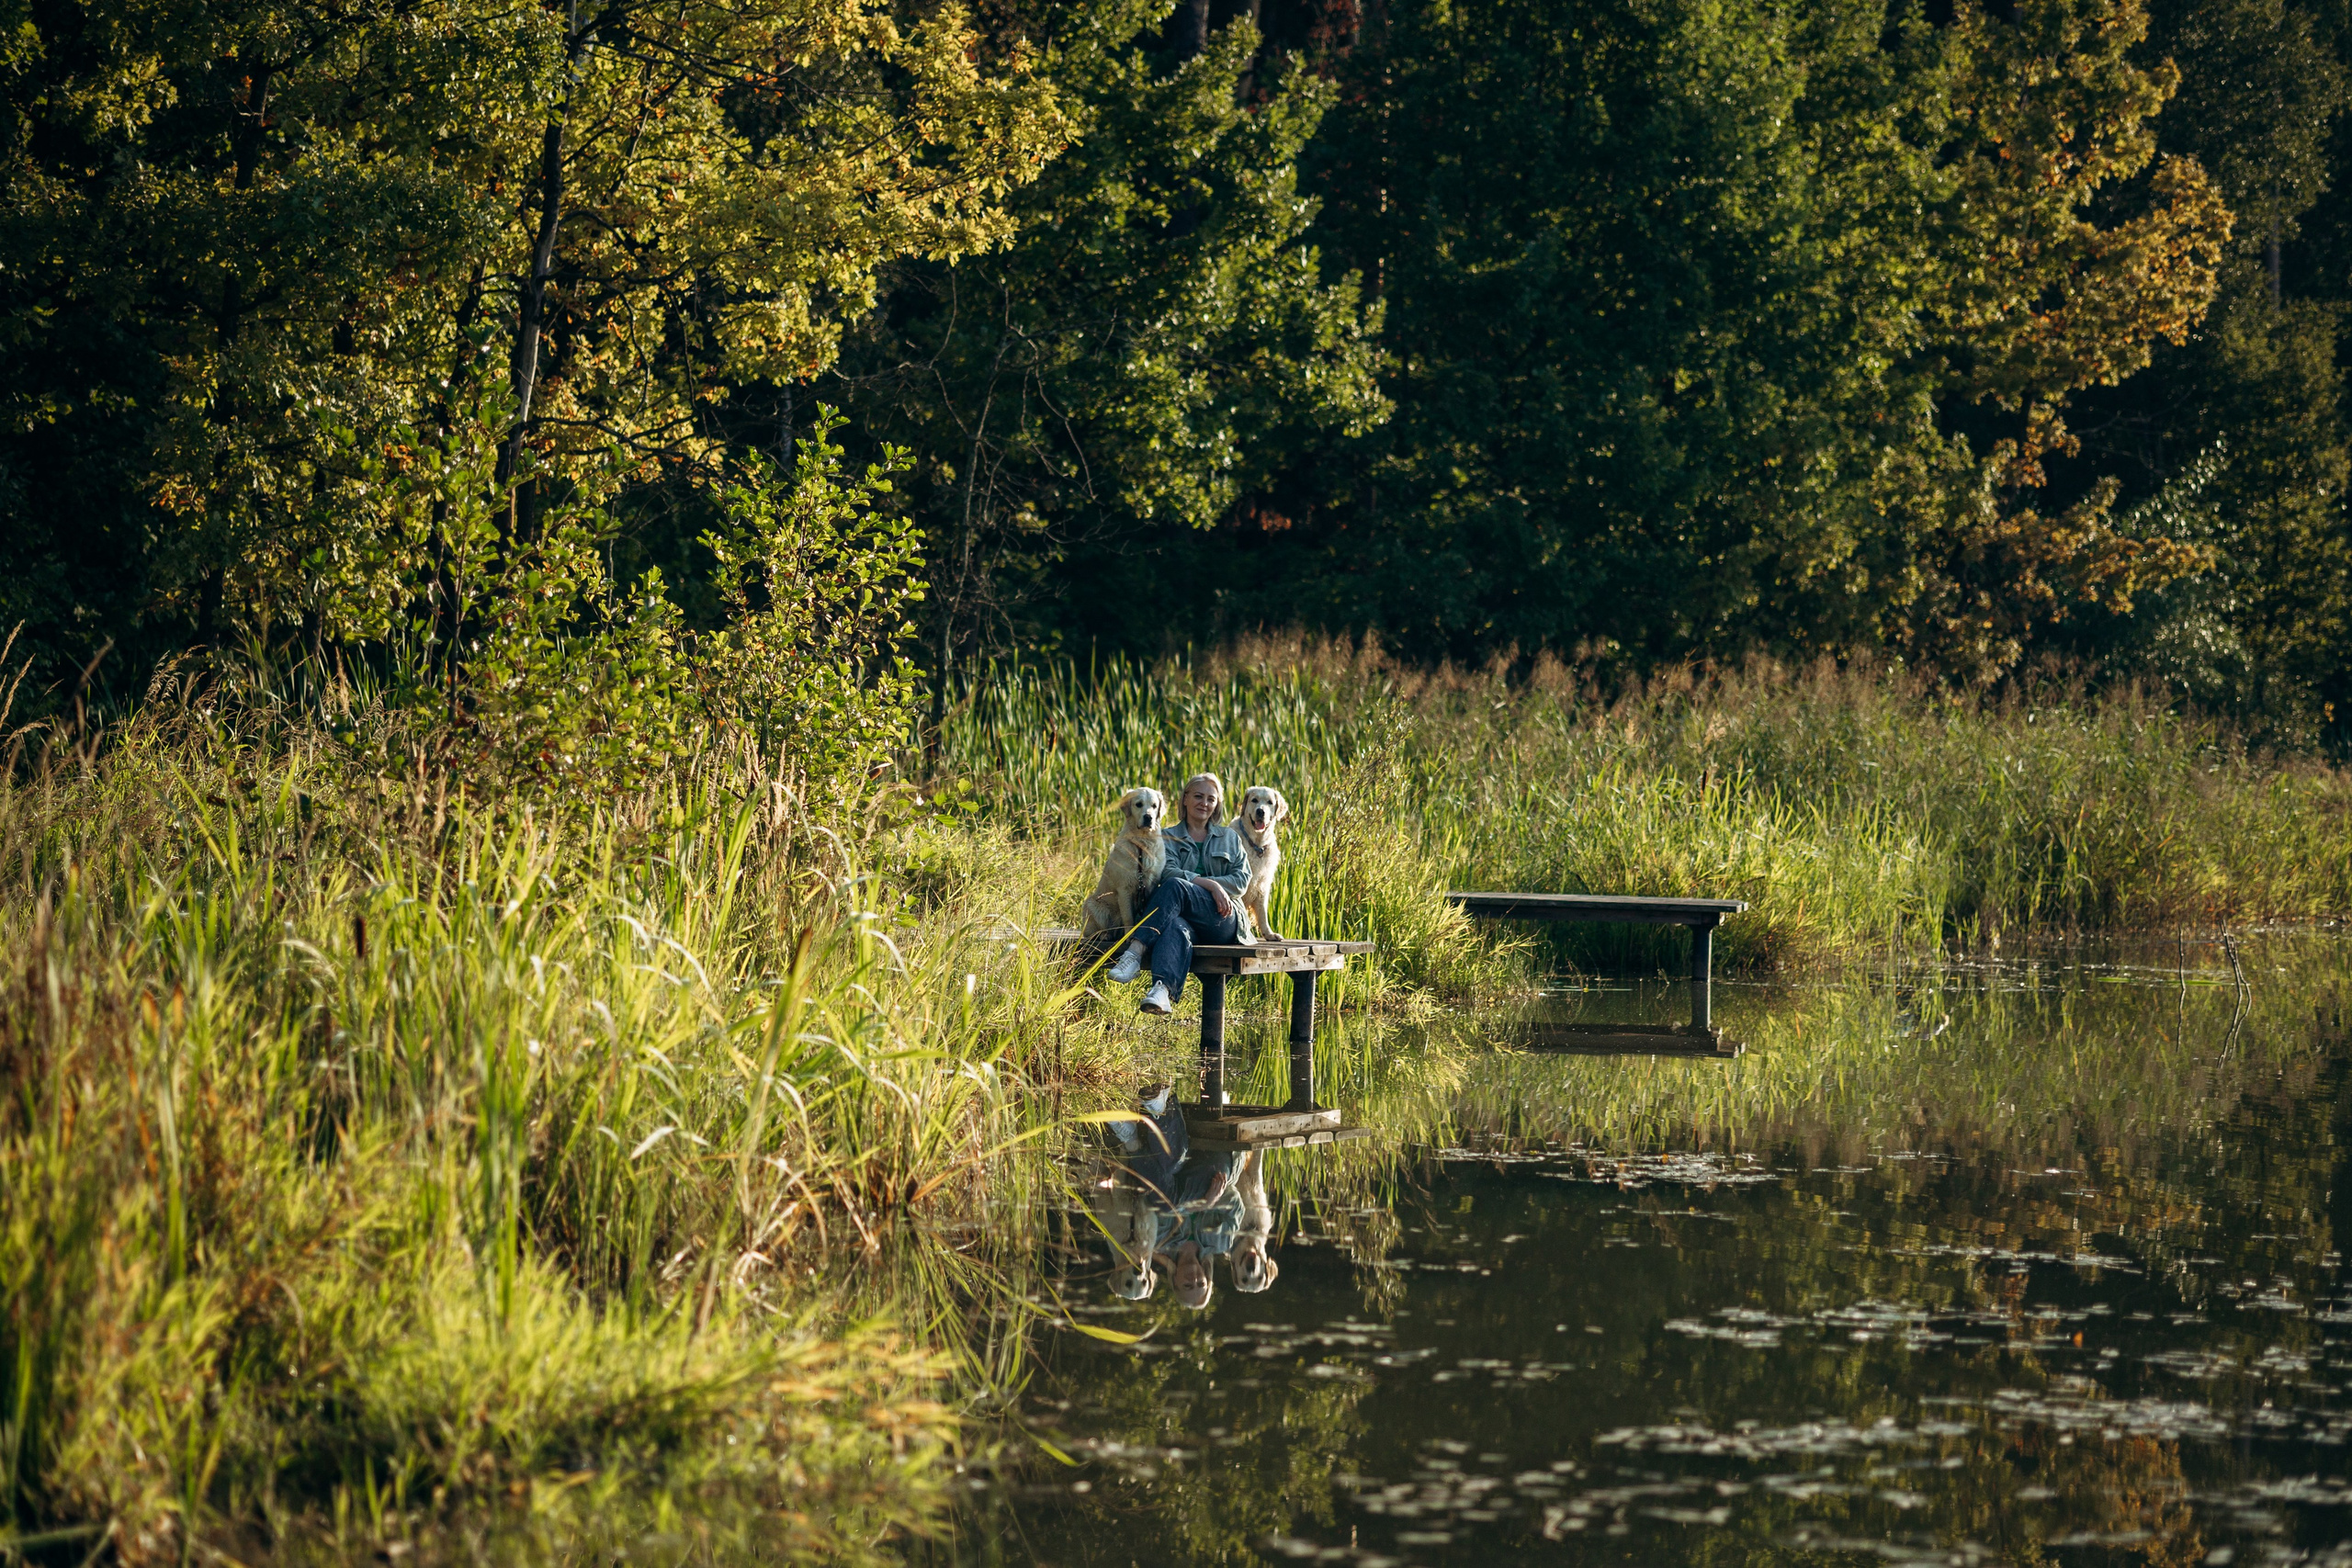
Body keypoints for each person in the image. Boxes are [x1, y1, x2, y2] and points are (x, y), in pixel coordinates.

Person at [1107, 772, 1253, 1016]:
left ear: (1217, 804)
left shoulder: (1229, 837)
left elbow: (1241, 881)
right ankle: (1161, 991)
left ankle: (1134, 951)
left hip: (1223, 918)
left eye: (1210, 799)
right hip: (1183, 918)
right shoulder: (1167, 837)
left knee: (1176, 886)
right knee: (1175, 924)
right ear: (1185, 799)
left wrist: (1212, 887)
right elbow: (1167, 872)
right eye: (1198, 796)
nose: (1204, 803)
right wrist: (1209, 885)